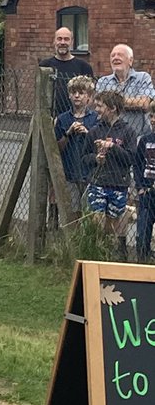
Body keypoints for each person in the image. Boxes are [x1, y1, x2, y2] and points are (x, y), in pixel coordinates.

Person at [82, 90, 136, 255]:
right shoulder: (94, 131)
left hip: (118, 183)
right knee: (96, 219)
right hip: (98, 182)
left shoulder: (128, 131)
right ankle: (93, 250)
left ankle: (110, 251)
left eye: (100, 106)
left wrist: (112, 147)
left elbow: (130, 158)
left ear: (112, 108)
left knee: (112, 223)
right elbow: (84, 158)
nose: (96, 109)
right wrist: (96, 159)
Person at [54, 75, 98, 223]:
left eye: (81, 93)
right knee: (72, 213)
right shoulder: (62, 119)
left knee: (88, 214)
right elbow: (56, 148)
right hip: (69, 173)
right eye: (74, 93)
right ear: (69, 95)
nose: (77, 96)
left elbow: (99, 146)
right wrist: (68, 133)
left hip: (89, 174)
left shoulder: (96, 119)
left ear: (89, 97)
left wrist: (88, 133)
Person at [95, 45, 155, 140]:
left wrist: (113, 102)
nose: (115, 58)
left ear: (130, 61)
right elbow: (101, 107)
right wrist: (132, 102)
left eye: (120, 55)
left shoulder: (143, 77)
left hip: (138, 137)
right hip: (109, 137)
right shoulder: (103, 81)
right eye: (113, 55)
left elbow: (144, 103)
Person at [39, 27, 94, 117]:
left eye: (66, 39)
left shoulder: (84, 67)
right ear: (54, 41)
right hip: (49, 117)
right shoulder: (44, 65)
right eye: (59, 39)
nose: (63, 42)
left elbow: (90, 96)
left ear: (72, 42)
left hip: (76, 117)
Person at [133, 106, 155, 262]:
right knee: (143, 230)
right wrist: (140, 187)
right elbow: (138, 164)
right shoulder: (145, 140)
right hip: (147, 193)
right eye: (152, 116)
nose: (153, 120)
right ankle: (143, 258)